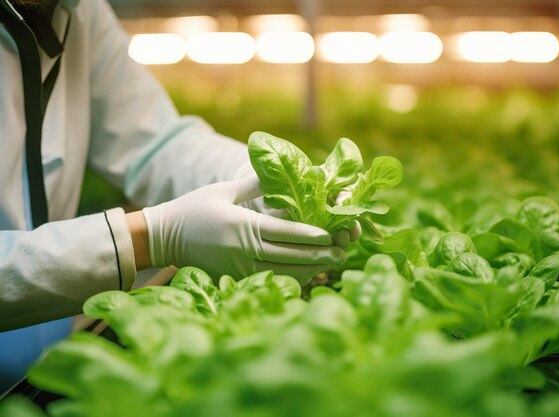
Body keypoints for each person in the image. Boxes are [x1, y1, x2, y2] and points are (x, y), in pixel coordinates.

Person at [0, 0, 355, 392]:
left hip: (47, 360)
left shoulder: (79, 10)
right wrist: (148, 238)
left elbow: (154, 142)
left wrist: (261, 179)